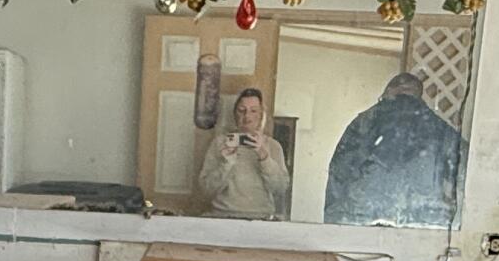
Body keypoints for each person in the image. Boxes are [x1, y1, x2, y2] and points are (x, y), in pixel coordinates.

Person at [323, 71, 460, 226]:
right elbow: (462, 178)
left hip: (361, 219)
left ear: (388, 91)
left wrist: (333, 224)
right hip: (424, 225)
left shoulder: (364, 123)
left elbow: (340, 171)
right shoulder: (441, 130)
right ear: (418, 94)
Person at [192, 86, 290, 219]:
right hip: (222, 216)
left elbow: (280, 189)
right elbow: (206, 190)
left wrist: (264, 157)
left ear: (261, 115)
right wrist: (226, 163)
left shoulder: (273, 146)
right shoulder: (220, 144)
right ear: (234, 114)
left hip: (260, 218)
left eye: (253, 111)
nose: (247, 116)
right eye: (241, 110)